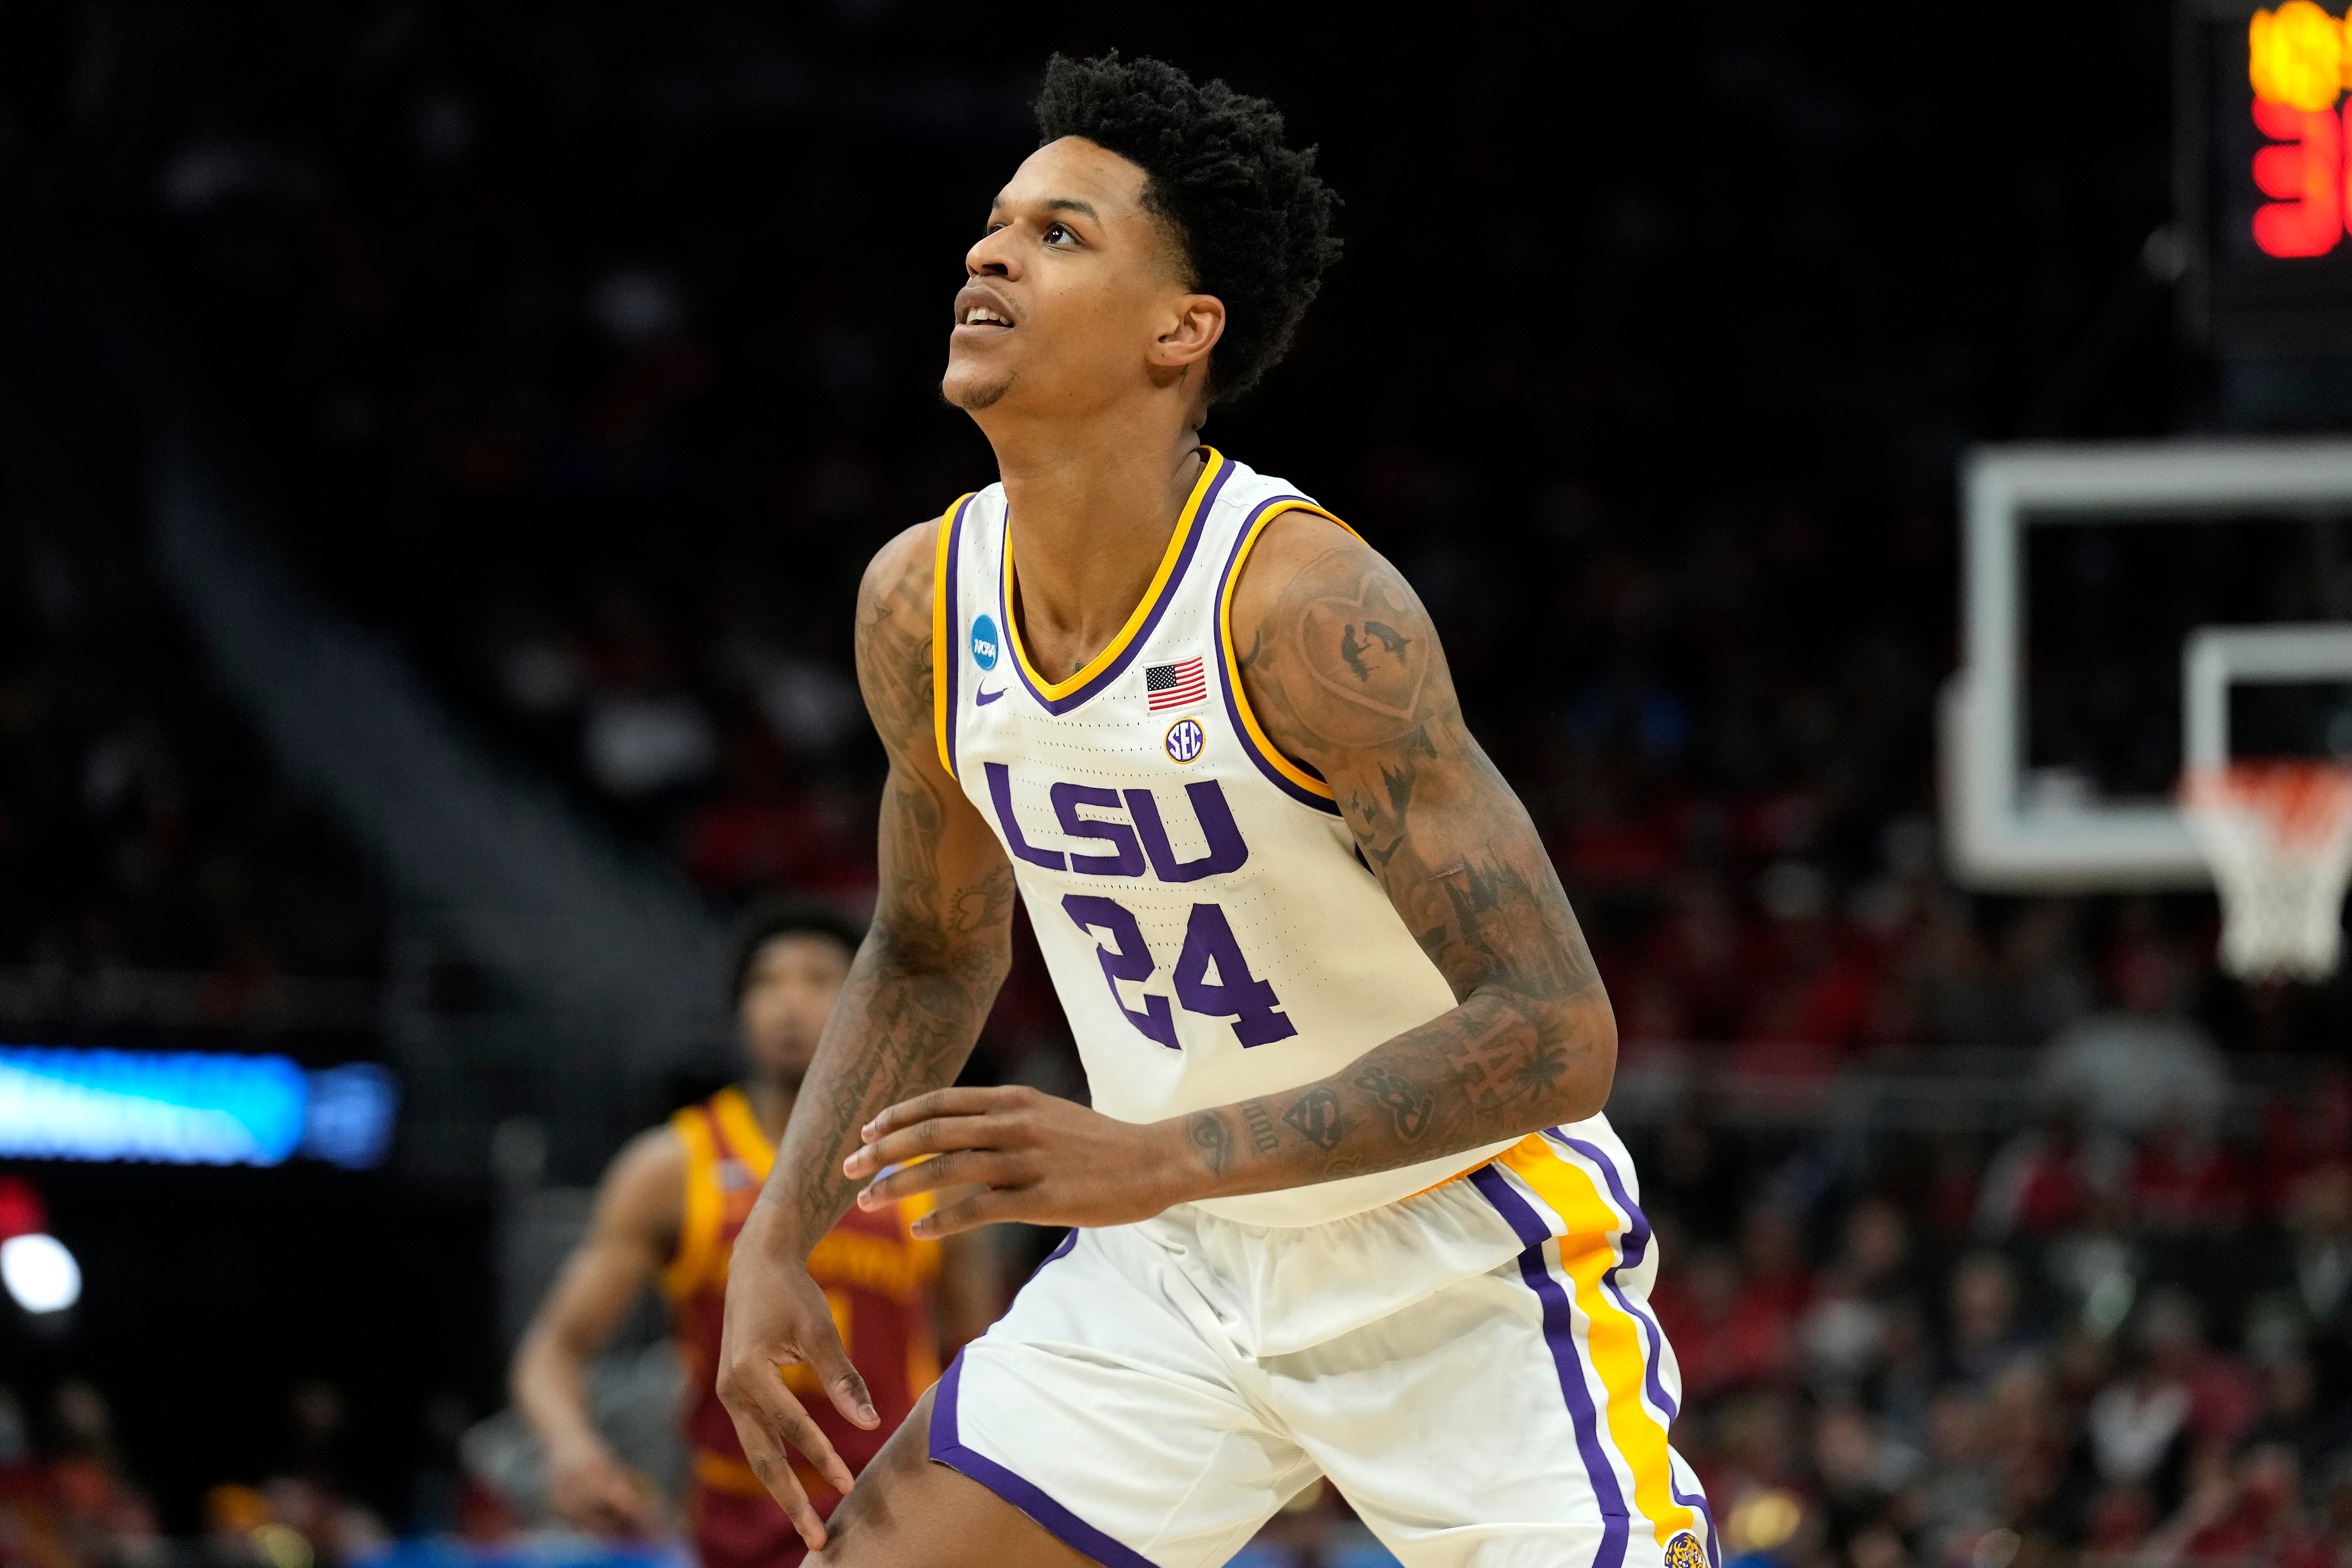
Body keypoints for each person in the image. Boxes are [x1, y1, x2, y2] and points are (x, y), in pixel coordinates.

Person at [717, 53, 1713, 1568]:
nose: (990, 251)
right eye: (998, 223)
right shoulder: (921, 601)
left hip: (1447, 1259)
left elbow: (1557, 1027)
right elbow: (929, 950)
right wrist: (776, 1230)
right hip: (1172, 1264)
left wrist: (1160, 1156)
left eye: (1062, 234)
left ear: (1183, 332)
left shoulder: (1306, 608)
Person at [512, 901, 1001, 1566]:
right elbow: (554, 1351)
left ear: (868, 1003)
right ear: (740, 1011)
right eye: (768, 983)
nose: (789, 1003)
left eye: (818, 978)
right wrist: (572, 1447)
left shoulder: (929, 1164)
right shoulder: (673, 1166)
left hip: (891, 1510)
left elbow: (981, 1360)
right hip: (734, 1520)